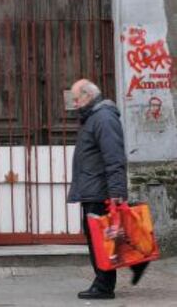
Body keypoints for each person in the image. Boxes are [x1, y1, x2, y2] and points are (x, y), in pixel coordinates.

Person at [68, 78, 149, 300]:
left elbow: (114, 160)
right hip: (94, 188)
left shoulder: (103, 118)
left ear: (88, 96)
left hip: (101, 192)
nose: (74, 104)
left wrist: (116, 194)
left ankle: (104, 286)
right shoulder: (94, 118)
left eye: (76, 99)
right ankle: (112, 277)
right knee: (102, 238)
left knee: (101, 239)